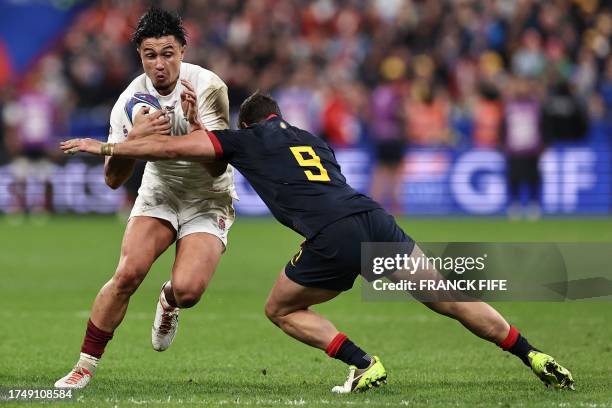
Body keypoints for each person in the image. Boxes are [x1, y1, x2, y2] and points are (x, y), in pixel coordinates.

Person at [61, 92, 574, 393]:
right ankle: (532, 354)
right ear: (278, 115)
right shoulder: (314, 139)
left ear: (246, 124)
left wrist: (107, 145)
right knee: (448, 298)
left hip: (332, 234)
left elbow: (175, 147)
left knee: (280, 309)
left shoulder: (245, 141)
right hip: (373, 216)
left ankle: (362, 364)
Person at [54, 7, 236, 389]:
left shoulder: (208, 88)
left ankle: (168, 300)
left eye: (167, 53)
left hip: (208, 196)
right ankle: (84, 366)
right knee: (127, 274)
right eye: (150, 55)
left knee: (188, 291)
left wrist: (200, 128)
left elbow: (219, 169)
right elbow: (112, 181)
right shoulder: (129, 101)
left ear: (183, 51)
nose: (159, 64)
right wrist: (133, 142)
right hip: (160, 189)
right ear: (139, 55)